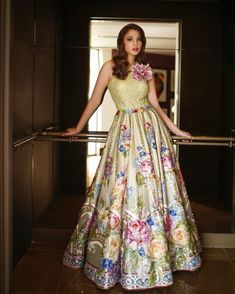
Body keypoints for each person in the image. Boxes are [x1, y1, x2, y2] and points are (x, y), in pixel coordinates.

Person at [62, 23, 202, 290]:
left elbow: (155, 106)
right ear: (122, 42)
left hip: (151, 133)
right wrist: (78, 127)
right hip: (125, 132)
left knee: (153, 188)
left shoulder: (145, 70)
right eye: (130, 39)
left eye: (138, 39)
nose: (135, 43)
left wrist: (175, 129)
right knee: (120, 188)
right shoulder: (109, 68)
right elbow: (95, 100)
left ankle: (161, 256)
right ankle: (115, 256)